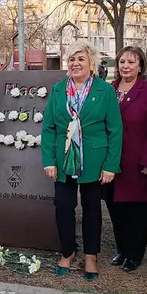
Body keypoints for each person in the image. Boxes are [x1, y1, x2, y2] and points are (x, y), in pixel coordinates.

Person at [41, 42, 122, 281]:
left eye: (81, 59)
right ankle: (68, 250)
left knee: (92, 208)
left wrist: (110, 165)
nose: (75, 64)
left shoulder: (104, 91)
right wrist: (48, 160)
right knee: (64, 206)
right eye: (72, 59)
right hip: (63, 158)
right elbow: (48, 127)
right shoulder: (58, 90)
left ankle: (91, 255)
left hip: (94, 160)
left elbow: (115, 130)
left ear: (92, 64)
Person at [107, 46, 147, 272]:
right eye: (122, 62)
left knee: (137, 211)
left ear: (141, 65)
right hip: (112, 160)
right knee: (115, 208)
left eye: (131, 62)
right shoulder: (109, 89)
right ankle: (122, 250)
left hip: (137, 159)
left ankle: (135, 254)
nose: (126, 66)